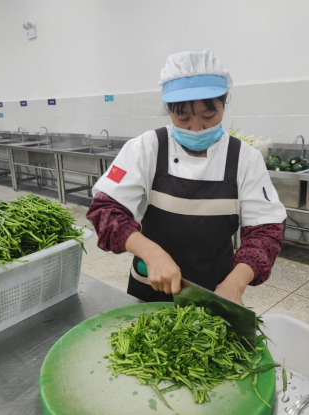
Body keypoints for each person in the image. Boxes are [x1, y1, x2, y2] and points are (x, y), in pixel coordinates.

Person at [87, 50, 287, 305]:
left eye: (208, 116)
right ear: (169, 109)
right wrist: (151, 252)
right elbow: (105, 210)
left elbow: (265, 232)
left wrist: (235, 284)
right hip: (148, 289)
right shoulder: (147, 147)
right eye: (183, 118)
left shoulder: (244, 159)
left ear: (225, 100)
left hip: (216, 292)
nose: (196, 128)